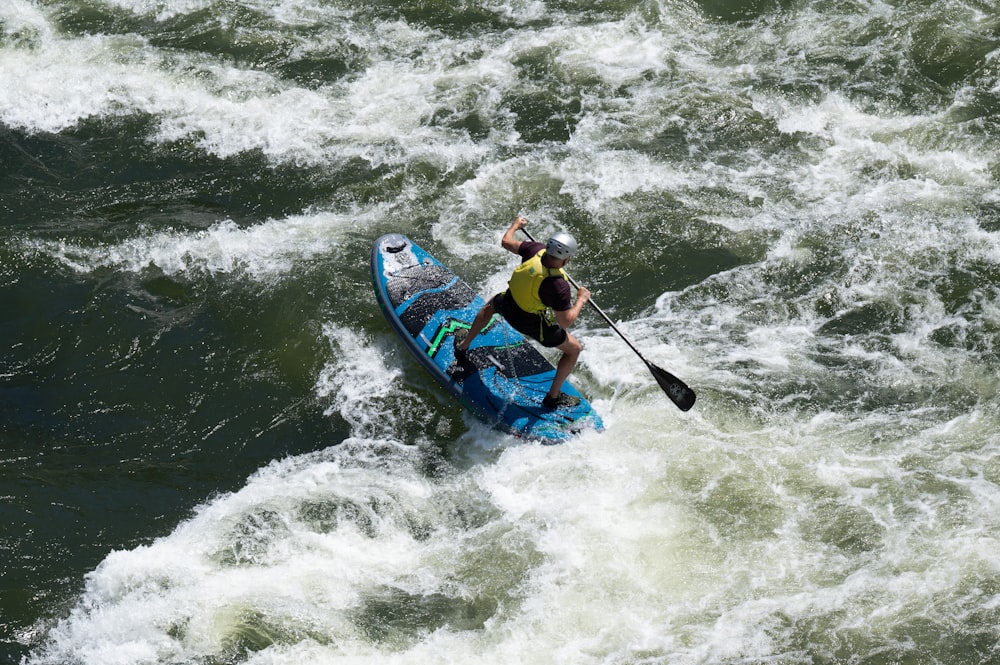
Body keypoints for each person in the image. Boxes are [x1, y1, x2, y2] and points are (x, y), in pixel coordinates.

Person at [455, 216, 591, 409]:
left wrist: (516, 226)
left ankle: (463, 345)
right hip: (531, 325)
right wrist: (581, 300)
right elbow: (566, 321)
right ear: (566, 258)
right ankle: (553, 397)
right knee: (574, 349)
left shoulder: (535, 249)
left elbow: (506, 241)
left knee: (490, 306)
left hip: (507, 305)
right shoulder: (559, 286)